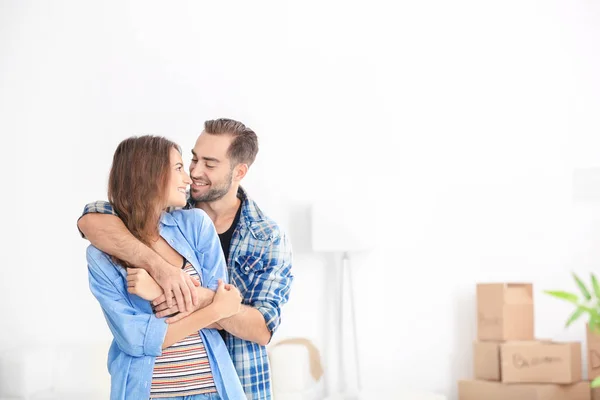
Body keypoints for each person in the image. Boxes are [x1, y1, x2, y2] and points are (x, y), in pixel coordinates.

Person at [78, 118, 294, 399]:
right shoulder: (173, 209)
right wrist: (163, 270)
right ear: (149, 174)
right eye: (192, 160)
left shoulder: (264, 237)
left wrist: (160, 292)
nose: (193, 173)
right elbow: (90, 220)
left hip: (234, 377)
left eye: (210, 163)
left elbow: (260, 328)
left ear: (239, 171)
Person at [87, 135, 246, 399]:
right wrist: (213, 308)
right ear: (146, 172)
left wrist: (160, 293)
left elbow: (224, 315)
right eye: (178, 168)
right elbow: (137, 341)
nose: (188, 179)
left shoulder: (196, 226)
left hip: (213, 390)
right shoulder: (101, 255)